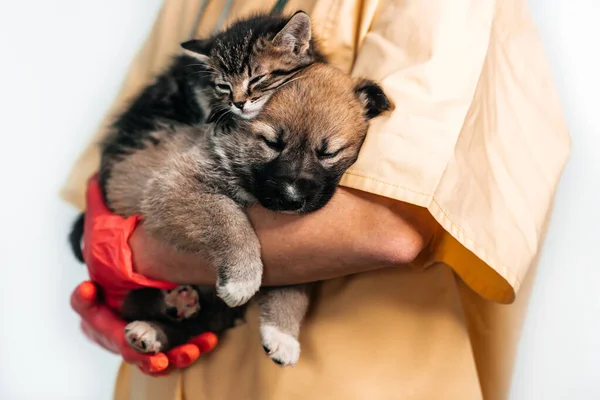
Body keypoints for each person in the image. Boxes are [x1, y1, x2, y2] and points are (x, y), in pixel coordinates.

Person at [62, 0, 570, 399]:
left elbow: (387, 225)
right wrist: (100, 264)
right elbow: (112, 169)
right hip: (163, 373)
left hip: (340, 383)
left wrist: (129, 256)